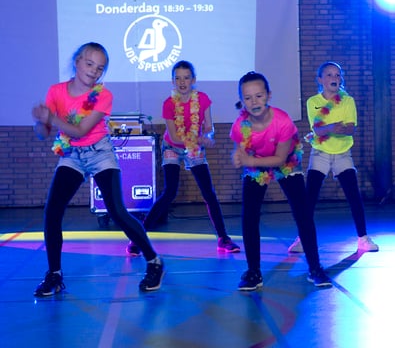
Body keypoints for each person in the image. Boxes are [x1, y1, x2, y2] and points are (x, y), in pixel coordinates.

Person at [31, 42, 165, 296]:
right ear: (77, 62)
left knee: (117, 211)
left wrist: (51, 118)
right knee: (52, 211)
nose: (94, 71)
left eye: (100, 68)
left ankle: (154, 262)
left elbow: (81, 130)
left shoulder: (103, 96)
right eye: (89, 63)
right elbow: (43, 132)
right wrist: (40, 122)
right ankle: (54, 274)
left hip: (99, 152)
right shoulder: (56, 92)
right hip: (71, 155)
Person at [230, 71, 331, 291]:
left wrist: (248, 160)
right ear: (242, 100)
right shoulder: (239, 126)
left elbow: (280, 159)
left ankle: (315, 267)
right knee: (249, 216)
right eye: (248, 98)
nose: (254, 102)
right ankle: (253, 271)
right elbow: (240, 152)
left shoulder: (282, 120)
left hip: (286, 161)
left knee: (302, 213)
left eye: (259, 96)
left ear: (268, 95)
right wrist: (237, 157)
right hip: (257, 163)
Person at [126, 60, 240, 255]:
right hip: (172, 146)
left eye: (186, 78)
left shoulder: (203, 99)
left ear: (193, 80)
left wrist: (208, 137)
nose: (182, 82)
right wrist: (199, 140)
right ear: (173, 81)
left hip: (195, 147)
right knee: (170, 192)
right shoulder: (169, 104)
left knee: (208, 192)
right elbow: (175, 137)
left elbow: (209, 127)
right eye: (177, 78)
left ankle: (223, 238)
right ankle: (138, 238)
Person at [287, 61, 378, 254]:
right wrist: (331, 128)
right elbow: (317, 130)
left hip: (342, 153)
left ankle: (363, 238)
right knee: (310, 197)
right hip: (320, 153)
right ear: (320, 80)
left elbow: (351, 128)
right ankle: (302, 239)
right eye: (329, 75)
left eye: (337, 75)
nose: (334, 78)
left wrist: (335, 129)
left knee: (353, 195)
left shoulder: (347, 101)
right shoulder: (313, 102)